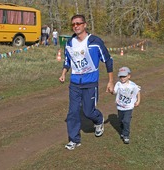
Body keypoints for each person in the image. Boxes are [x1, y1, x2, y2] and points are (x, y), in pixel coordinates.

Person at [59, 14, 114, 150]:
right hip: (75, 83)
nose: (76, 26)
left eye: (78, 23)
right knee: (73, 112)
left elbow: (108, 60)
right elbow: (68, 60)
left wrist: (110, 81)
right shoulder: (70, 43)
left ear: (85, 24)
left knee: (88, 112)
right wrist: (64, 73)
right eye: (73, 24)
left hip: (90, 82)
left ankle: (99, 120)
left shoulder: (95, 41)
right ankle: (74, 140)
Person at [113, 67, 141, 144]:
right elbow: (114, 92)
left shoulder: (133, 85)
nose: (122, 78)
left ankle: (126, 135)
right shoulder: (118, 84)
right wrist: (111, 91)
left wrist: (138, 101)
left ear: (129, 76)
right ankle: (123, 131)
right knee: (121, 121)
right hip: (120, 106)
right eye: (120, 76)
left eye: (124, 76)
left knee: (126, 121)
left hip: (129, 107)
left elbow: (138, 92)